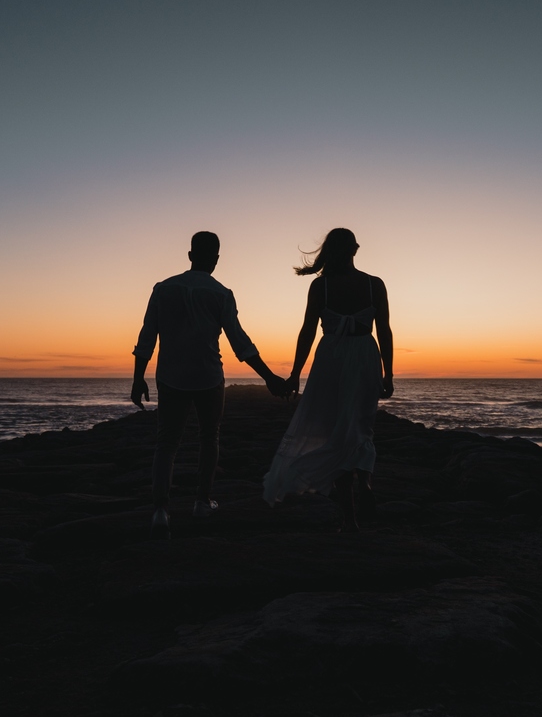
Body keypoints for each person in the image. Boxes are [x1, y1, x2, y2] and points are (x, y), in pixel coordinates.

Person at [132, 231, 287, 537]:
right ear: (216, 259)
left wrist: (138, 379)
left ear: (190, 256)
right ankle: (202, 501)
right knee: (209, 437)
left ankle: (161, 510)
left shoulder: (163, 289)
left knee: (167, 442)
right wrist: (269, 377)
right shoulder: (221, 293)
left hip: (171, 377)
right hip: (208, 377)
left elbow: (147, 337)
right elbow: (240, 343)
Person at [262, 228, 393, 529]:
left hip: (331, 359)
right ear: (355, 250)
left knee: (336, 429)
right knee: (361, 425)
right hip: (364, 357)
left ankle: (349, 517)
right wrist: (389, 371)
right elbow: (384, 330)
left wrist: (296, 372)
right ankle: (366, 484)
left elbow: (307, 330)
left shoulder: (320, 287)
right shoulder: (375, 285)